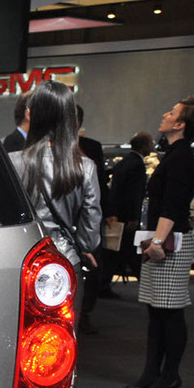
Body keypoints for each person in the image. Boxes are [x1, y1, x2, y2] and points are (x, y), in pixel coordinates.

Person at [123, 96, 194, 388]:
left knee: (169, 312)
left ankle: (169, 375)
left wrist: (158, 242)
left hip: (170, 242)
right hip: (162, 240)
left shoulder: (181, 157)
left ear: (180, 124)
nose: (165, 114)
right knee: (157, 312)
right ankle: (151, 374)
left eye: (172, 112)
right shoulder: (174, 154)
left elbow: (173, 207)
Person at [8, 80, 101, 311]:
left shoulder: (11, 162)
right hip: (65, 262)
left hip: (22, 263)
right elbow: (90, 238)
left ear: (31, 114)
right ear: (70, 118)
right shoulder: (85, 167)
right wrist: (81, 246)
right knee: (64, 331)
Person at [104, 131, 155, 284]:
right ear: (144, 146)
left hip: (118, 213)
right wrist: (133, 217)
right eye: (150, 143)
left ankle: (106, 283)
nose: (152, 147)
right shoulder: (137, 165)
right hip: (127, 215)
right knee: (130, 249)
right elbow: (134, 194)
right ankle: (144, 280)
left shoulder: (124, 162)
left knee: (116, 250)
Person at [76, 105, 110, 333]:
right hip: (67, 218)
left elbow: (101, 183)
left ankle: (85, 312)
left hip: (88, 216)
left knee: (92, 268)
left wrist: (107, 211)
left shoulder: (92, 147)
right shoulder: (49, 147)